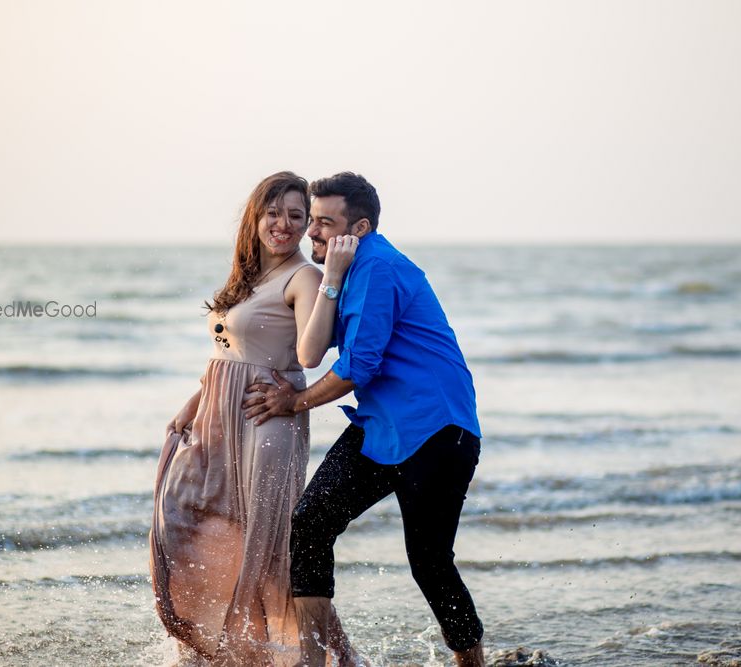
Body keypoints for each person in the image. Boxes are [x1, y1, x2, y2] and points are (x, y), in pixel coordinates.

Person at [242, 172, 487, 667]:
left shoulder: (377, 268)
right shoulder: (349, 269)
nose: (311, 233)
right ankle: (314, 661)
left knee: (430, 563)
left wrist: (295, 401)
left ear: (360, 227)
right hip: (382, 427)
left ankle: (473, 663)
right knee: (310, 525)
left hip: (438, 431)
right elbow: (316, 345)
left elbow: (358, 367)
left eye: (323, 224)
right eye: (311, 221)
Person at [149, 171, 362, 666]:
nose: (283, 224)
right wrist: (193, 404)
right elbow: (227, 354)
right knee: (180, 518)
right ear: (256, 217)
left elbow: (308, 356)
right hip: (217, 422)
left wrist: (330, 274)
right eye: (274, 213)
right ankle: (218, 643)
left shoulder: (303, 276)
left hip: (266, 424)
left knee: (273, 554)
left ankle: (340, 658)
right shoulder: (246, 277)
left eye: (296, 216)